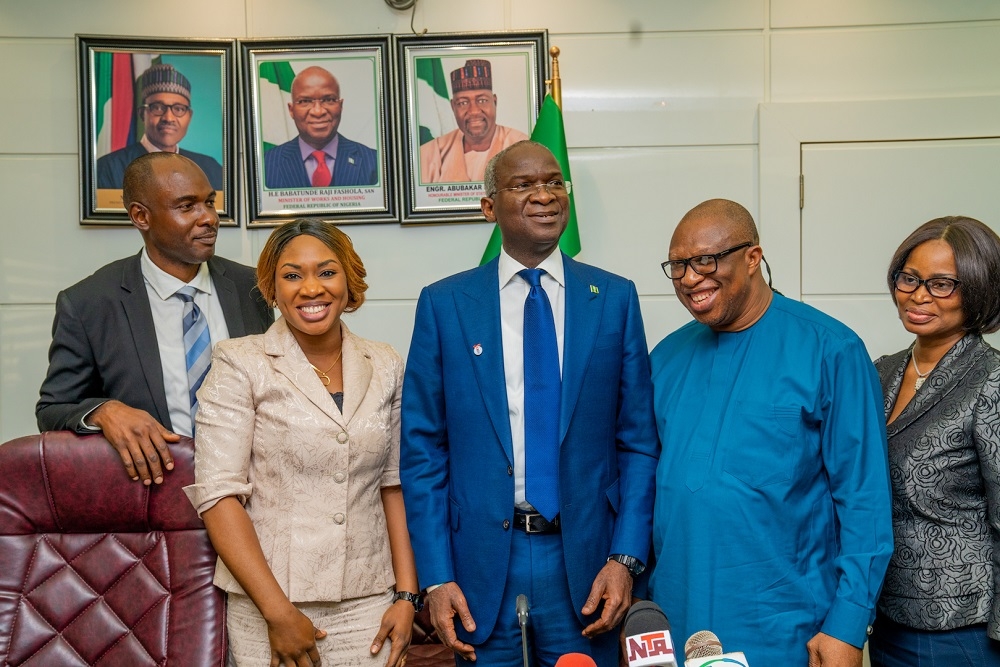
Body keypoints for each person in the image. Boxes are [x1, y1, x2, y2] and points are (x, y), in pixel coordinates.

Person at [401, 140, 659, 667]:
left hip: (589, 566)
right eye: (523, 185)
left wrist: (625, 559)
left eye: (553, 181)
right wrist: (436, 576)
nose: (544, 195)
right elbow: (423, 450)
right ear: (490, 207)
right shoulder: (444, 304)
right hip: (479, 570)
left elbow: (637, 443)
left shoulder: (614, 298)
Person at [648, 199, 893, 666]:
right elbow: (642, 486)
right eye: (677, 265)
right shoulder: (664, 359)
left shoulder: (831, 350)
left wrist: (847, 624)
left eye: (705, 260)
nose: (689, 278)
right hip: (674, 619)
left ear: (753, 257)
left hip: (786, 626)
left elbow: (865, 500)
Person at [184, 219, 418, 667]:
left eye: (327, 272)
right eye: (292, 275)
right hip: (268, 604)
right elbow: (218, 496)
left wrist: (406, 595)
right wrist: (278, 613)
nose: (311, 288)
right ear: (271, 288)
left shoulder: (385, 362)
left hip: (370, 602)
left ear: (349, 281)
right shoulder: (239, 363)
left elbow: (393, 485)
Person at [36, 152, 272, 484]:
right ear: (141, 216)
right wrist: (105, 411)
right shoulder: (89, 303)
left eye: (209, 202)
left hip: (254, 490)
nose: (209, 218)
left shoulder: (254, 287)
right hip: (155, 501)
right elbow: (52, 409)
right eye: (187, 206)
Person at [867, 216, 1000, 667]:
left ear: (979, 290)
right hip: (886, 620)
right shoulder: (880, 370)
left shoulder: (991, 379)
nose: (919, 295)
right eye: (910, 278)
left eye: (943, 284)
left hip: (964, 630)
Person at [96, 63, 224, 190]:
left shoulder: (211, 170)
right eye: (157, 107)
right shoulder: (108, 169)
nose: (168, 118)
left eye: (179, 109)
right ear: (142, 114)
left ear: (189, 116)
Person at [263, 66, 378, 189]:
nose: (318, 112)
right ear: (291, 110)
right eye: (305, 101)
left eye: (328, 100)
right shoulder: (265, 164)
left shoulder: (375, 162)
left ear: (340, 106)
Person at [418, 59, 529, 184]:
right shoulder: (431, 153)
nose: (474, 111)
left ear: (495, 101)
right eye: (463, 103)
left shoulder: (521, 146)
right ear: (453, 107)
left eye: (482, 100)